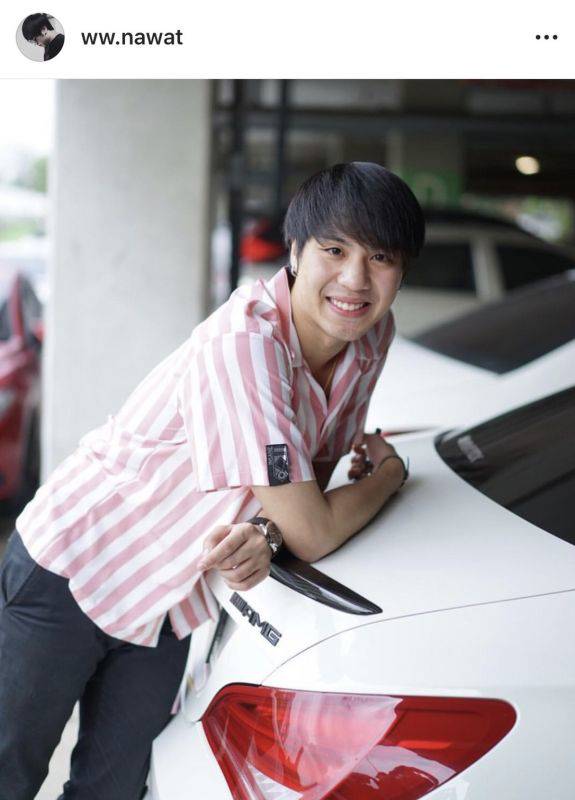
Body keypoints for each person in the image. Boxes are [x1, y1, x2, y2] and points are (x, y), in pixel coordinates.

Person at [0, 161, 424, 800]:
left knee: (112, 791)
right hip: (76, 565)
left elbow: (308, 481)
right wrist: (389, 475)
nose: (355, 280)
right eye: (335, 251)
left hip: (171, 598)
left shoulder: (371, 337)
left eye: (381, 258)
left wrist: (267, 531)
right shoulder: (243, 345)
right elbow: (314, 529)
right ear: (295, 252)